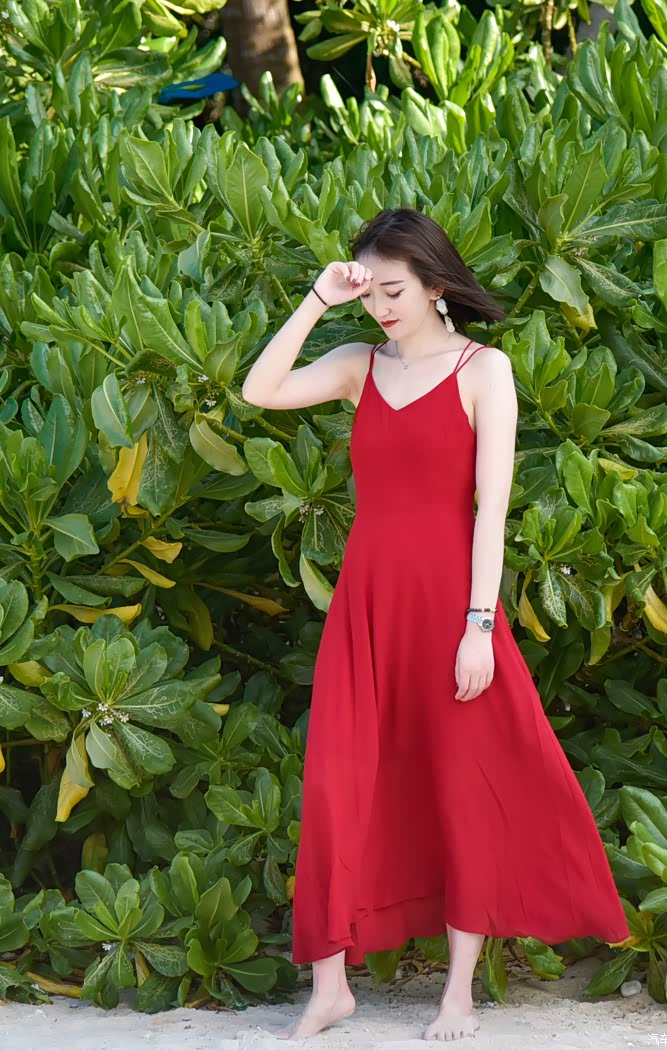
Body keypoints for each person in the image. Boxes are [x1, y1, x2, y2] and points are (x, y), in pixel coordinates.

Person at [241, 208, 630, 1042]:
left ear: (435, 284)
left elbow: (492, 510)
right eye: (369, 293)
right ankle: (330, 988)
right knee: (338, 784)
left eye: (394, 290)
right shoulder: (358, 365)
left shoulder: (485, 370)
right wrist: (318, 299)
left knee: (461, 788)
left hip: (451, 607)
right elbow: (259, 390)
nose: (379, 307)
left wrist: (479, 625)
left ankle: (458, 993)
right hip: (368, 606)